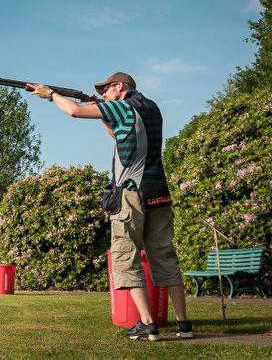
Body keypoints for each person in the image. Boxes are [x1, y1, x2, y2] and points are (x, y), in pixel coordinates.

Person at [28, 72, 193, 342]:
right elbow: (118, 136)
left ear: (120, 86)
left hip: (132, 194)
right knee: (165, 257)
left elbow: (73, 111)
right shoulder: (151, 108)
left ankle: (148, 324)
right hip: (160, 194)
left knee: (125, 257)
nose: (103, 94)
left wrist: (50, 95)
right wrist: (104, 111)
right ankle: (184, 325)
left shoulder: (122, 105)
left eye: (106, 89)